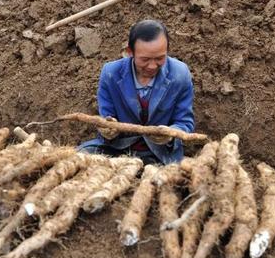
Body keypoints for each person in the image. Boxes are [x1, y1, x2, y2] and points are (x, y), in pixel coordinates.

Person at [79, 19, 195, 165]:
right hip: (118, 149)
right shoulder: (111, 74)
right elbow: (106, 118)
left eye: (160, 58)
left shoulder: (179, 74)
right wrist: (108, 129)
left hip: (161, 153)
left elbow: (185, 122)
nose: (152, 66)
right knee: (79, 157)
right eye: (145, 59)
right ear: (129, 52)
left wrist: (171, 134)